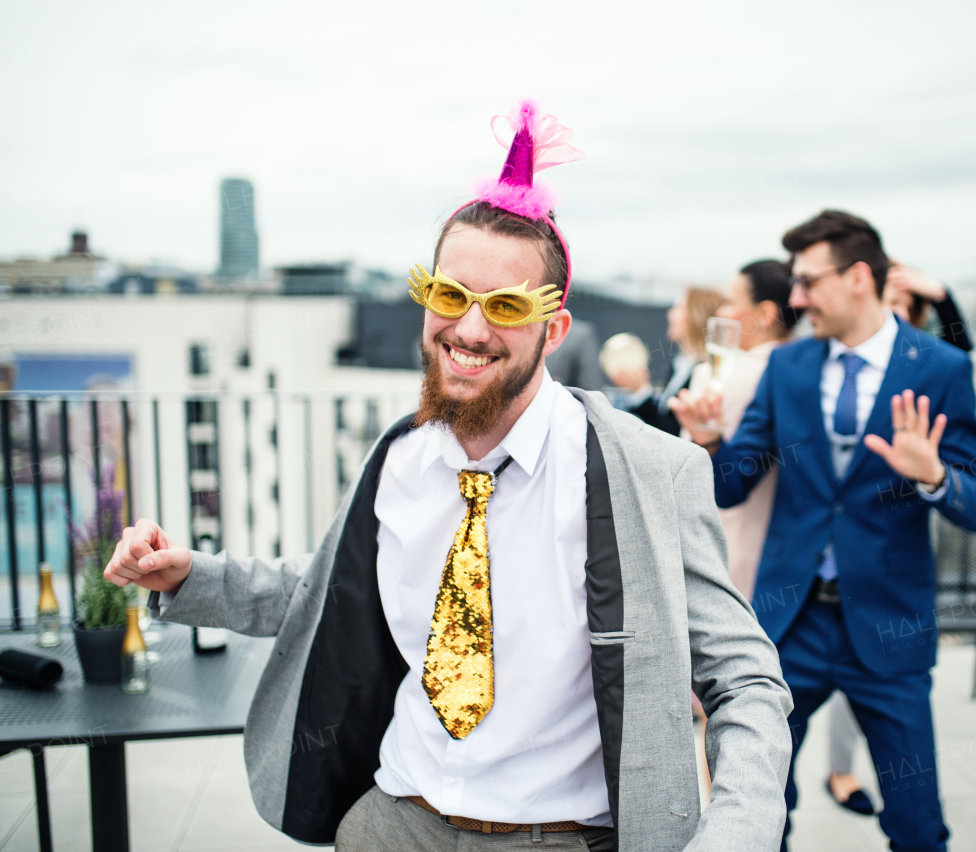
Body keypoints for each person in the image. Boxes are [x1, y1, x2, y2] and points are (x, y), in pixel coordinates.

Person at [104, 102, 792, 852]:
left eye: (503, 307)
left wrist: (734, 836)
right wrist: (185, 577)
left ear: (553, 329)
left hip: (559, 838)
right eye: (450, 295)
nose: (468, 329)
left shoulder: (651, 470)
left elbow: (746, 681)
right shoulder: (399, 455)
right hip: (392, 822)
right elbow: (329, 587)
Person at [672, 209, 976, 852]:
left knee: (916, 823)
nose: (795, 298)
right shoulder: (787, 370)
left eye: (808, 282)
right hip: (788, 624)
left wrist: (934, 476)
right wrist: (709, 443)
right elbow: (735, 483)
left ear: (856, 278)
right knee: (761, 808)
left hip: (890, 627)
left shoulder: (940, 368)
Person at [825, 257, 976, 817]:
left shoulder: (930, 367)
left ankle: (848, 774)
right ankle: (840, 772)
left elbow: (961, 354)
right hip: (809, 588)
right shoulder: (815, 361)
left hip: (887, 583)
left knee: (913, 802)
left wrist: (943, 296)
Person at [693, 259, 798, 598]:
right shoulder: (805, 372)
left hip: (732, 537)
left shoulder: (725, 378)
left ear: (765, 315)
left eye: (731, 301)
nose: (721, 311)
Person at [607, 287, 724, 434]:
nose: (670, 314)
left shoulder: (704, 373)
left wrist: (641, 391)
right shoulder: (680, 365)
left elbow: (671, 434)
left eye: (678, 308)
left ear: (696, 317)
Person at [883, 261, 973, 351]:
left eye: (911, 309)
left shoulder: (914, 351)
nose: (904, 315)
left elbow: (957, 356)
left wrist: (940, 296)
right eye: (894, 303)